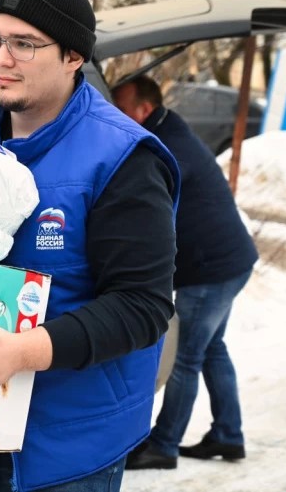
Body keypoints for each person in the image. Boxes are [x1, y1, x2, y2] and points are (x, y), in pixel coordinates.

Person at [0, 0, 181, 492]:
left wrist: (20, 352)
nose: (0, 58)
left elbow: (142, 306)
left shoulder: (123, 158)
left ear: (73, 57)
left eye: (24, 44)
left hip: (65, 443)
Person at [111, 75, 259, 470]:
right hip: (228, 261)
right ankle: (229, 435)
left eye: (122, 109)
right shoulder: (167, 131)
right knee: (212, 349)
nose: (116, 116)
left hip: (212, 271)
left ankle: (164, 445)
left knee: (185, 359)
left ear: (144, 110)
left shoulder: (167, 149)